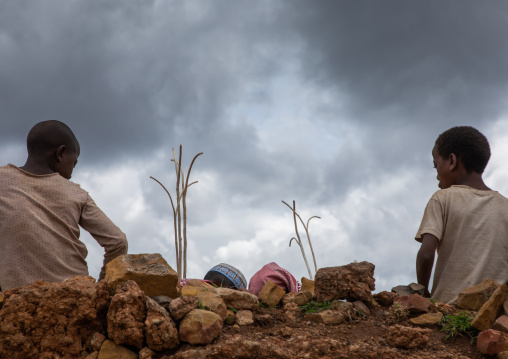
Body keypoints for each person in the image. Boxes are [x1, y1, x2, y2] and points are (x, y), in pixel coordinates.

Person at [0, 120, 128, 290]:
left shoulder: (3, 181)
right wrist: (102, 288)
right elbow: (118, 241)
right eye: (74, 163)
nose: (71, 173)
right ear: (60, 153)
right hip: (76, 296)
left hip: (17, 301)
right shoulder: (77, 194)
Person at [415, 126, 508, 304]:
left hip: (448, 308)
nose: (436, 176)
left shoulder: (442, 199)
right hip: (491, 315)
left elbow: (426, 254)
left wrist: (423, 292)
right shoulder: (505, 206)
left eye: (436, 166)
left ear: (452, 160)